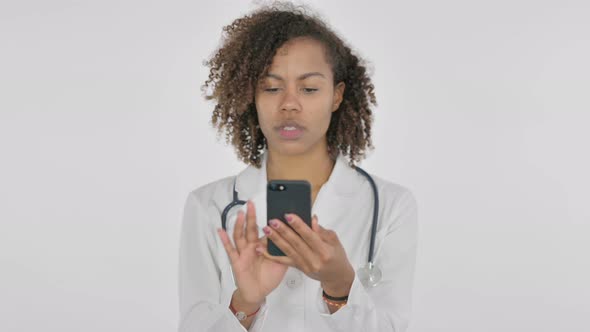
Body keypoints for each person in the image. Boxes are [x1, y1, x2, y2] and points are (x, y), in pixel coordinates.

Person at [178, 3, 418, 331]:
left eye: (309, 88)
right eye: (272, 87)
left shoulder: (391, 206)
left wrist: (340, 286)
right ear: (252, 95)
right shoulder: (208, 206)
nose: (289, 103)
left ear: (337, 96)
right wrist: (245, 302)